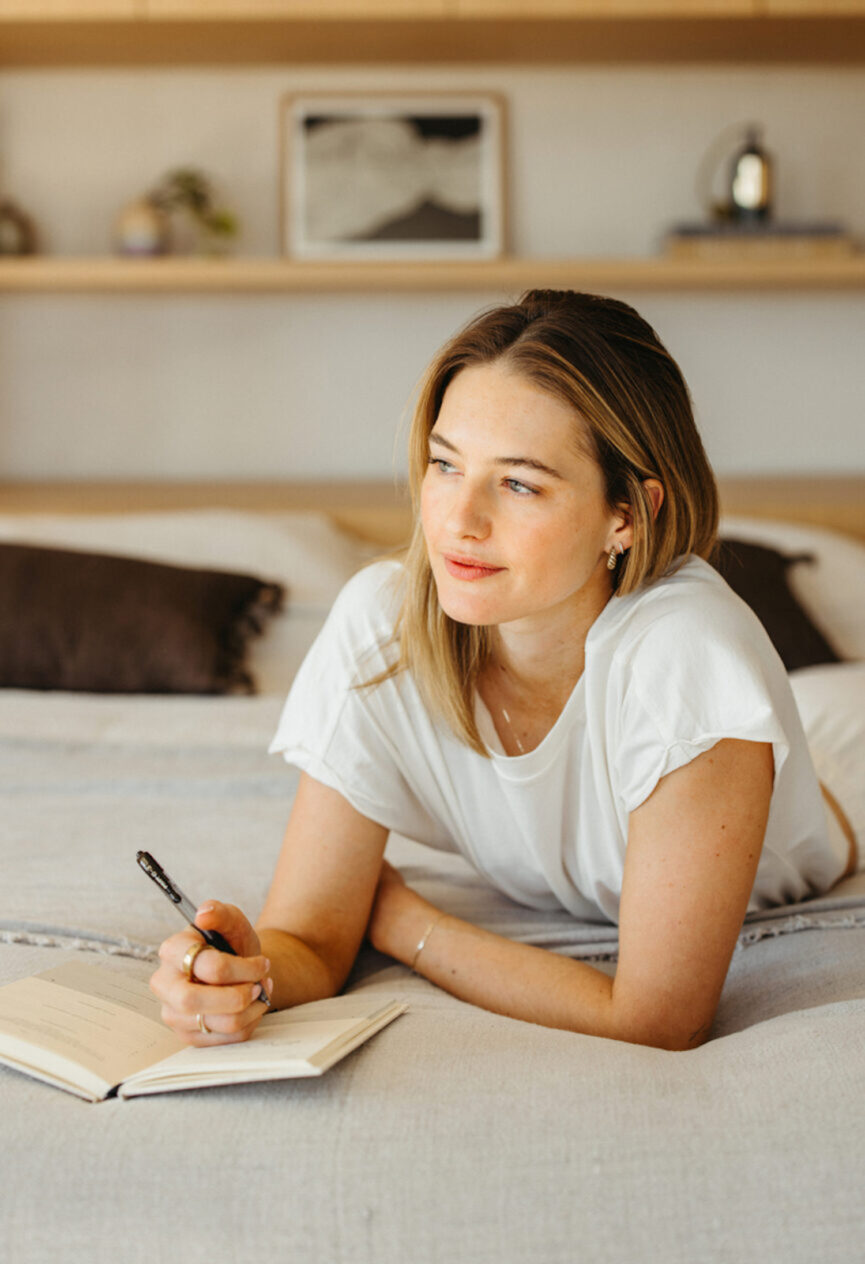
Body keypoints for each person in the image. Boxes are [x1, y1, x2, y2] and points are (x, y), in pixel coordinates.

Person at [150, 289, 856, 1052]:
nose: (460, 520)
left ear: (626, 514)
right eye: (445, 465)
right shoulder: (379, 629)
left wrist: (406, 923)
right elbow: (313, 942)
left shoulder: (687, 657)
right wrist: (240, 979)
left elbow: (658, 1020)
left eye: (519, 483)